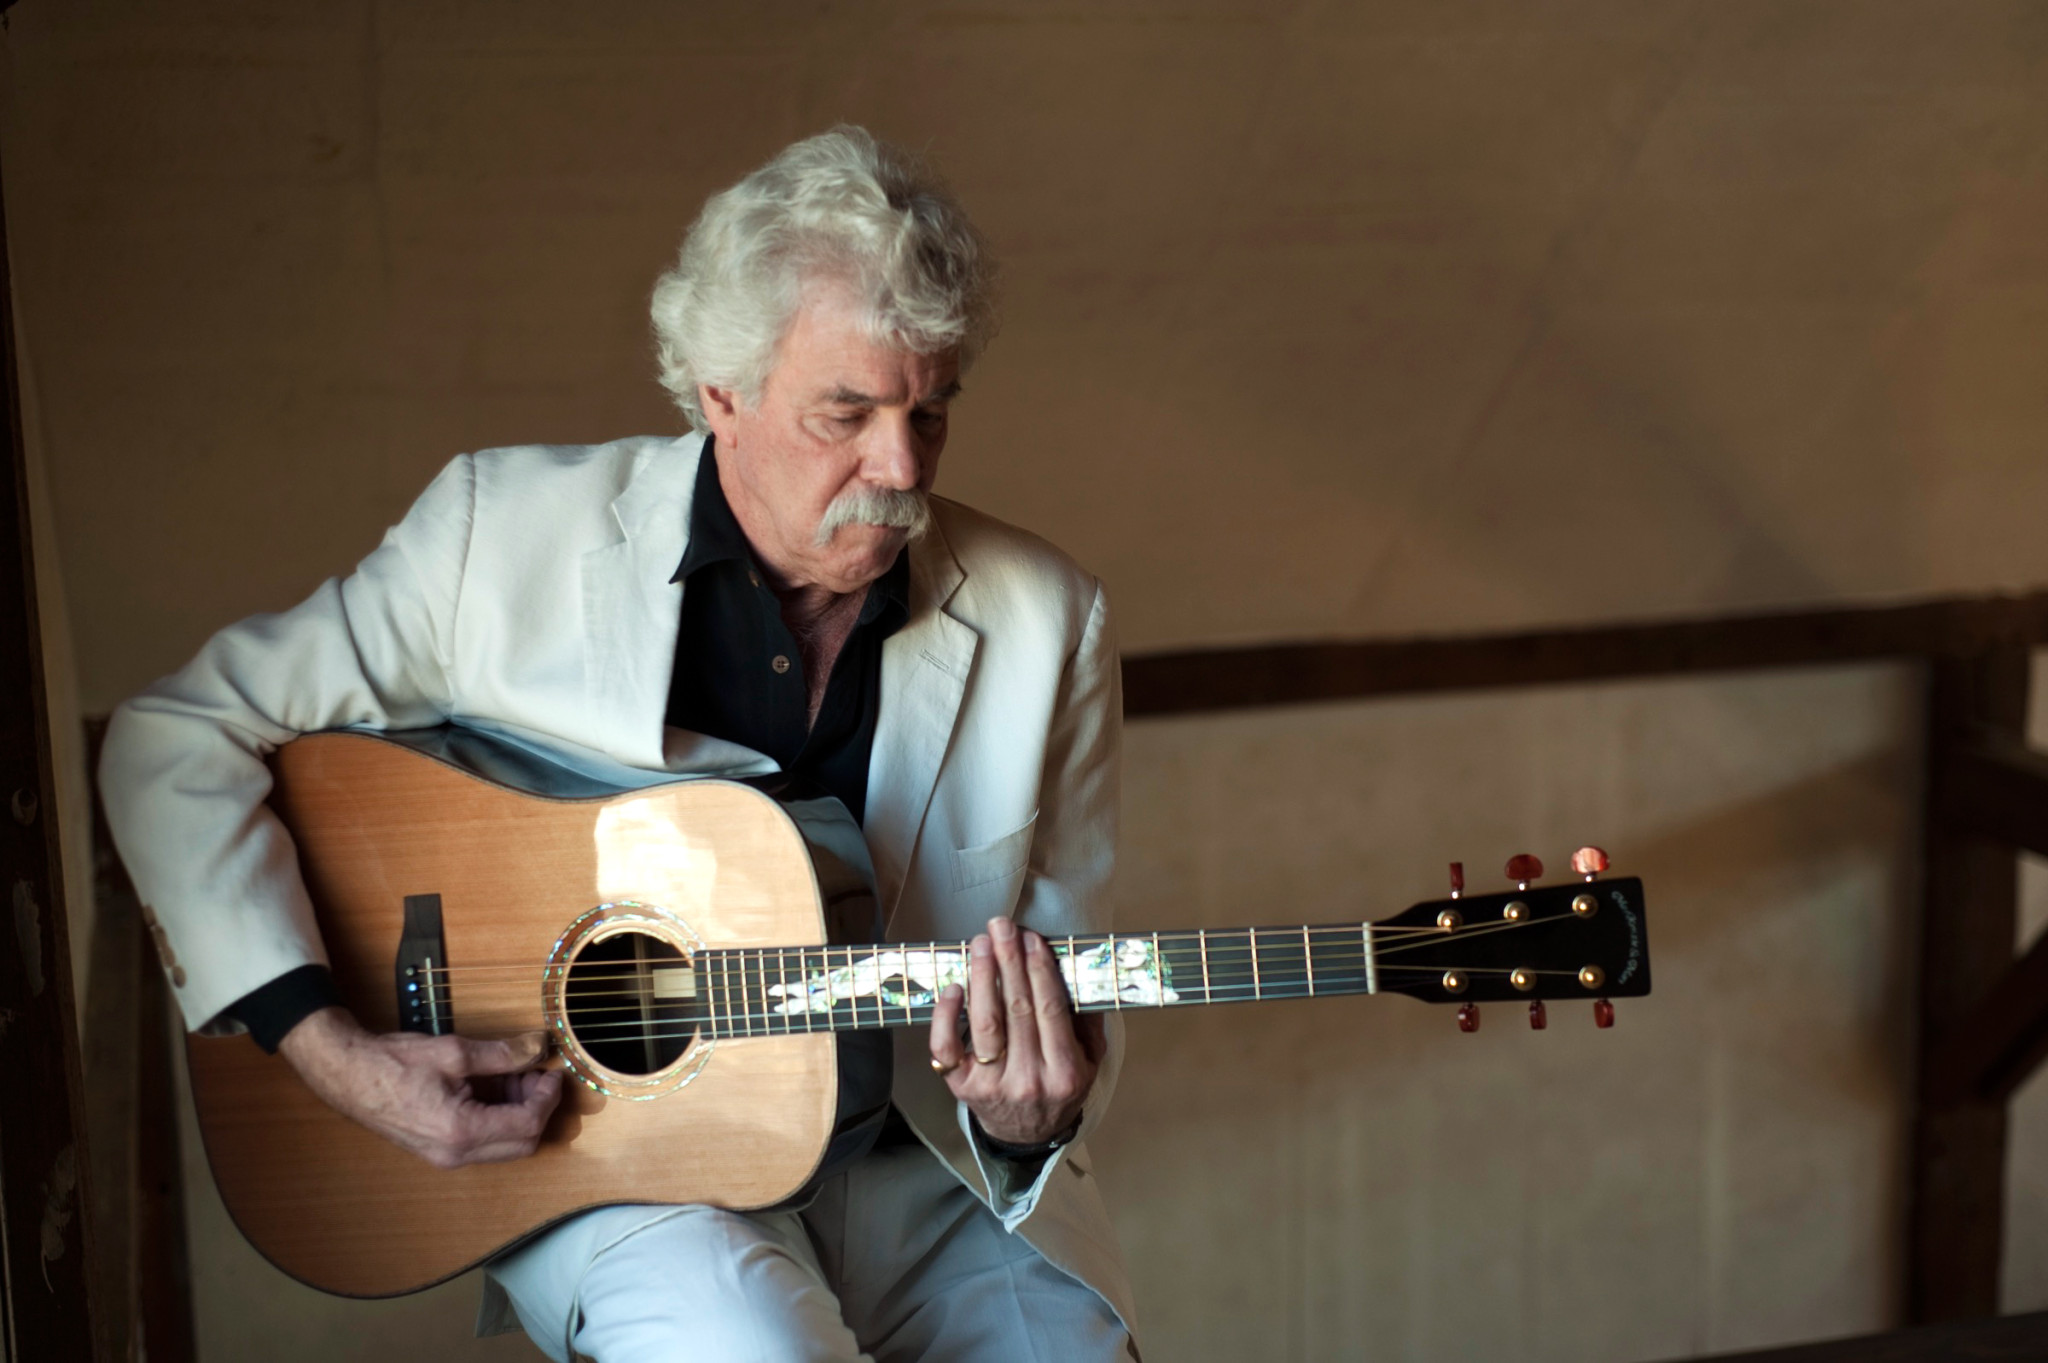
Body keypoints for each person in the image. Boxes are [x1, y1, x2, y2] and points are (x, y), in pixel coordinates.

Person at [100, 127, 1137, 1361]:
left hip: (918, 1162)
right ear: (720, 393)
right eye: (845, 412)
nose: (899, 465)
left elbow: (1068, 970)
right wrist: (327, 1049)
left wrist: (1030, 1118)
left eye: (931, 408)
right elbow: (174, 737)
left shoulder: (1046, 618)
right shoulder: (500, 538)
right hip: (617, 1163)